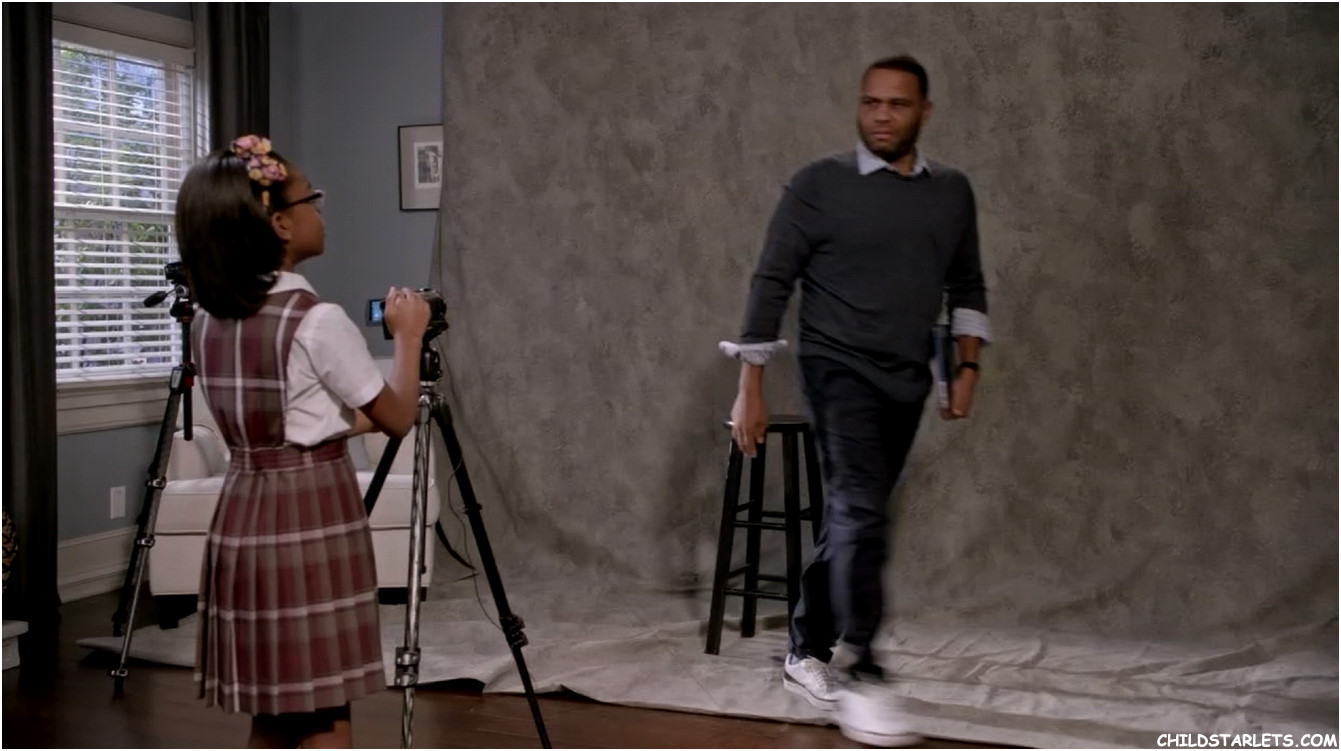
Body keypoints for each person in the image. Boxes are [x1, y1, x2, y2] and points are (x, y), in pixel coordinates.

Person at [720, 55, 991, 747]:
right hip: (835, 368)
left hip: (906, 375)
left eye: (897, 104)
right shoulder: (819, 185)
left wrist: (965, 367)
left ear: (924, 111)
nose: (881, 115)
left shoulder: (950, 192)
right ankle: (864, 670)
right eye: (871, 102)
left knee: (852, 511)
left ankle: (804, 648)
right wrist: (749, 387)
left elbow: (966, 283)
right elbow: (771, 281)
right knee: (862, 510)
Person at [175, 134, 431, 748]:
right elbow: (398, 417)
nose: (321, 209)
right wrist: (408, 336)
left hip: (243, 516)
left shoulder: (209, 320)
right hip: (309, 514)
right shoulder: (317, 321)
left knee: (277, 700)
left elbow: (291, 422)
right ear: (281, 224)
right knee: (323, 705)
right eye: (311, 198)